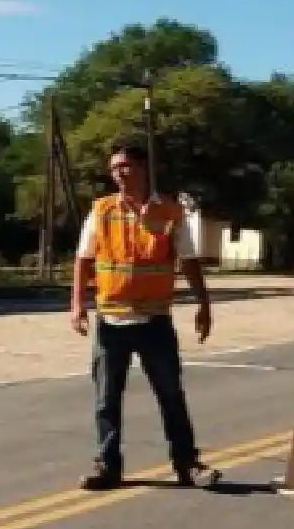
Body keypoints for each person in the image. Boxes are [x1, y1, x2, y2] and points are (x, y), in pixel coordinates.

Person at [71, 141, 218, 491]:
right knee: (107, 399)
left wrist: (203, 303)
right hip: (111, 322)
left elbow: (188, 260)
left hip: (154, 322)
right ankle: (107, 466)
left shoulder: (169, 211)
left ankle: (187, 464)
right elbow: (84, 259)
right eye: (114, 168)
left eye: (125, 166)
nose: (119, 174)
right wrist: (77, 304)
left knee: (171, 395)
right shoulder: (102, 210)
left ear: (142, 169)